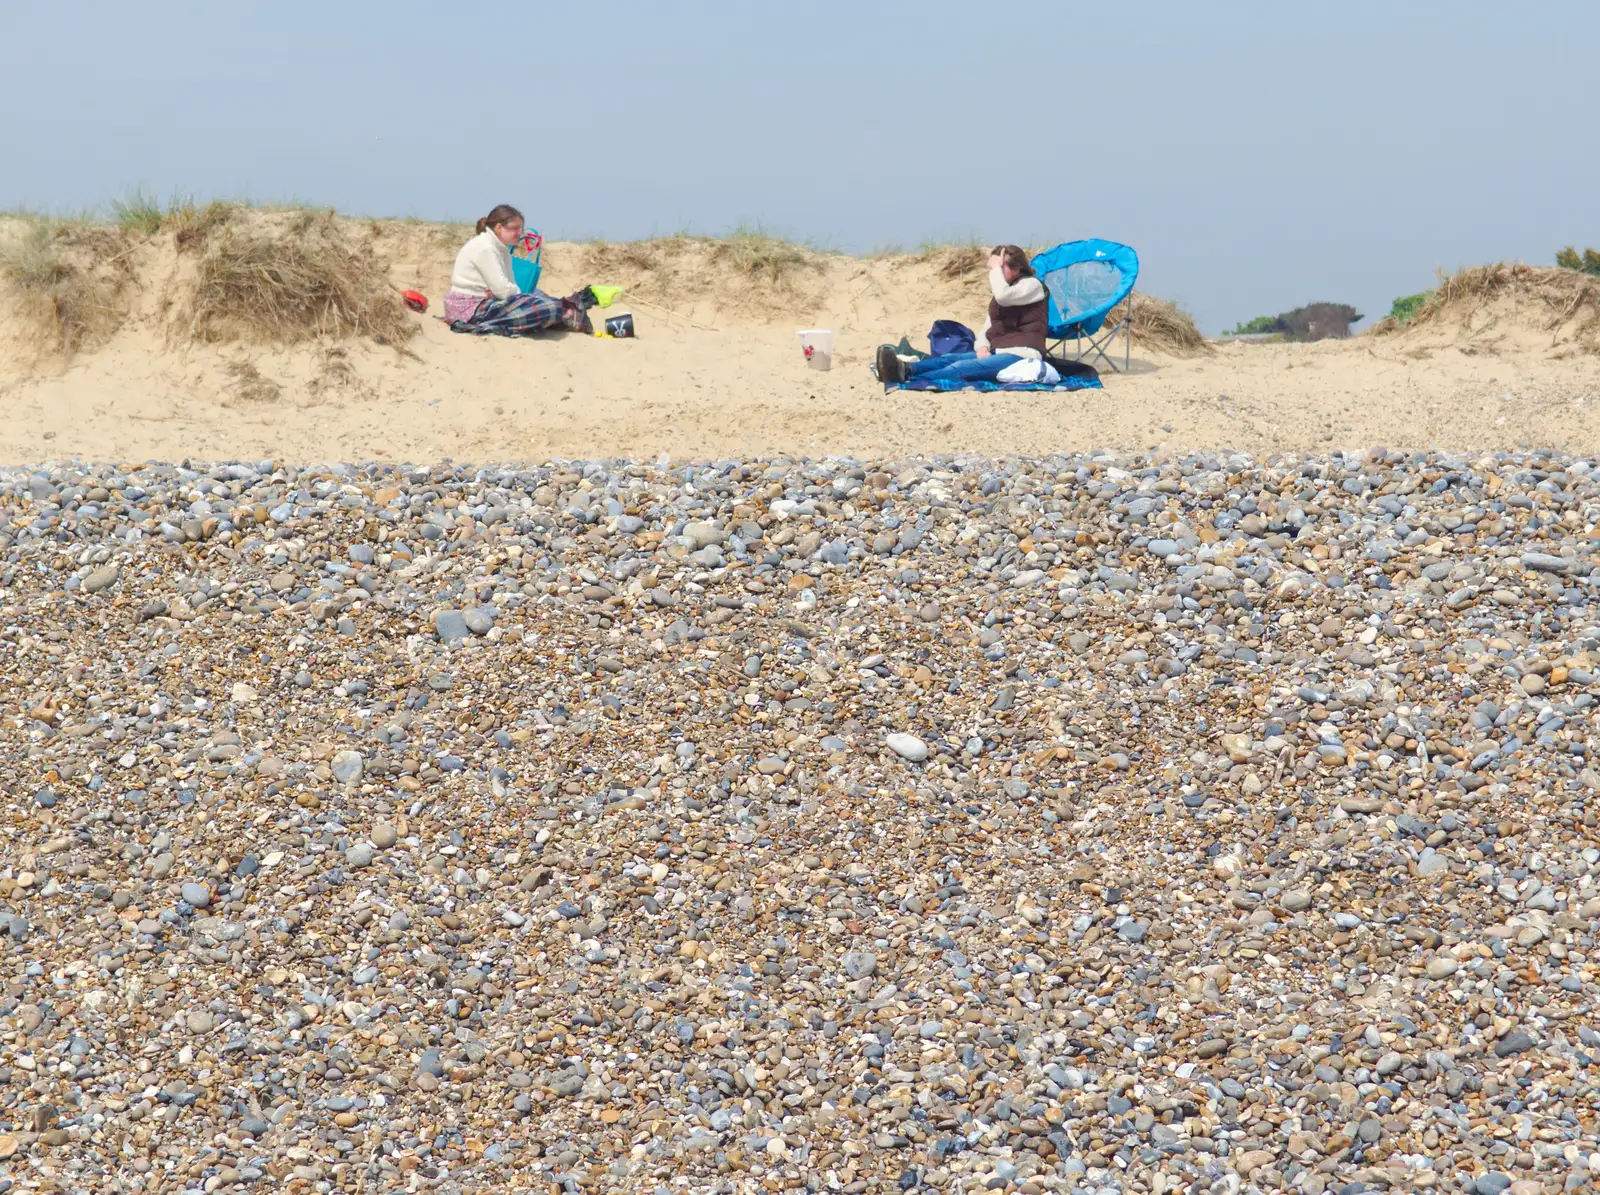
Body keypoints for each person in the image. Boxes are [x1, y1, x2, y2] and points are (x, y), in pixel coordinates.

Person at [875, 245, 1049, 385]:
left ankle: (909, 379)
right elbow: (989, 326)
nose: (994, 273)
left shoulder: (1032, 286)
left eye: (1000, 268)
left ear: (1017, 270)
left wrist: (996, 269)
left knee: (964, 366)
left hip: (1022, 354)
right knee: (949, 358)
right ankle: (905, 369)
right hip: (999, 351)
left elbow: (1004, 297)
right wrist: (982, 346)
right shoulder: (1002, 295)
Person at [443, 204, 594, 336]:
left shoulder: (502, 250)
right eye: (514, 228)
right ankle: (566, 314)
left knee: (539, 296)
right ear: (499, 228)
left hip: (491, 302)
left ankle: (565, 314)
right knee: (548, 306)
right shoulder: (485, 248)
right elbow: (504, 291)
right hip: (470, 309)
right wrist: (505, 292)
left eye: (520, 228)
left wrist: (506, 292)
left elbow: (509, 287)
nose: (519, 233)